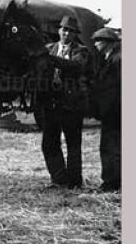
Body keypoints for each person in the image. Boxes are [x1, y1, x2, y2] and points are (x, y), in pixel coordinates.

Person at [34, 14, 91, 189]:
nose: (66, 33)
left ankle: (74, 182)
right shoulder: (49, 48)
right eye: (64, 29)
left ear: (75, 34)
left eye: (70, 31)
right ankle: (59, 179)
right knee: (49, 143)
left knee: (73, 144)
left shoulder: (81, 51)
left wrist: (50, 59)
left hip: (72, 105)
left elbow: (76, 66)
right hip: (51, 104)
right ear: (59, 30)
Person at [90, 26, 121, 192]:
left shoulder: (117, 60)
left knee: (110, 147)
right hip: (112, 111)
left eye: (98, 41)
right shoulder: (111, 58)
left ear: (108, 43)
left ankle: (111, 183)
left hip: (114, 111)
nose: (95, 44)